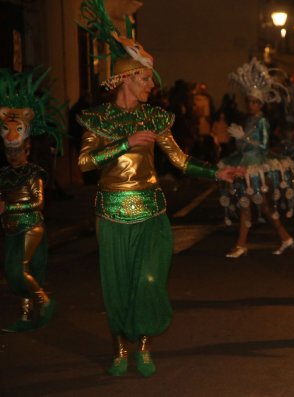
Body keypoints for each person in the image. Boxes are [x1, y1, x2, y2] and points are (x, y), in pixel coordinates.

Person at [76, 0, 240, 377]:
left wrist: (217, 173)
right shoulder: (100, 118)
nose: (152, 84)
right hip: (112, 212)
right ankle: (120, 348)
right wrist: (123, 143)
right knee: (117, 285)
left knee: (149, 279)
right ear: (126, 78)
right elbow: (84, 163)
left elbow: (180, 161)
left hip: (151, 210)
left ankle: (145, 346)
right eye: (146, 78)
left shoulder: (154, 117)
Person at [0, 68, 64, 332]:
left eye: (17, 150)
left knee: (19, 269)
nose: (12, 154)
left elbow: (37, 202)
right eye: (8, 151)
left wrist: (8, 206)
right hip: (11, 226)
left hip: (30, 224)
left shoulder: (34, 173)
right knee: (14, 270)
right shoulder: (4, 174)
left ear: (27, 148)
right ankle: (25, 317)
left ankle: (44, 301)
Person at [218, 58, 294, 258]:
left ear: (261, 103)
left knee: (258, 204)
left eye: (255, 102)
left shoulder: (262, 121)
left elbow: (262, 145)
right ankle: (278, 239)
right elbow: (244, 145)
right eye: (249, 101)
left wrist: (243, 137)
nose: (251, 105)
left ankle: (246, 244)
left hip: (256, 167)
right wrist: (238, 139)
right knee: (251, 204)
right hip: (244, 163)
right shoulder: (249, 119)